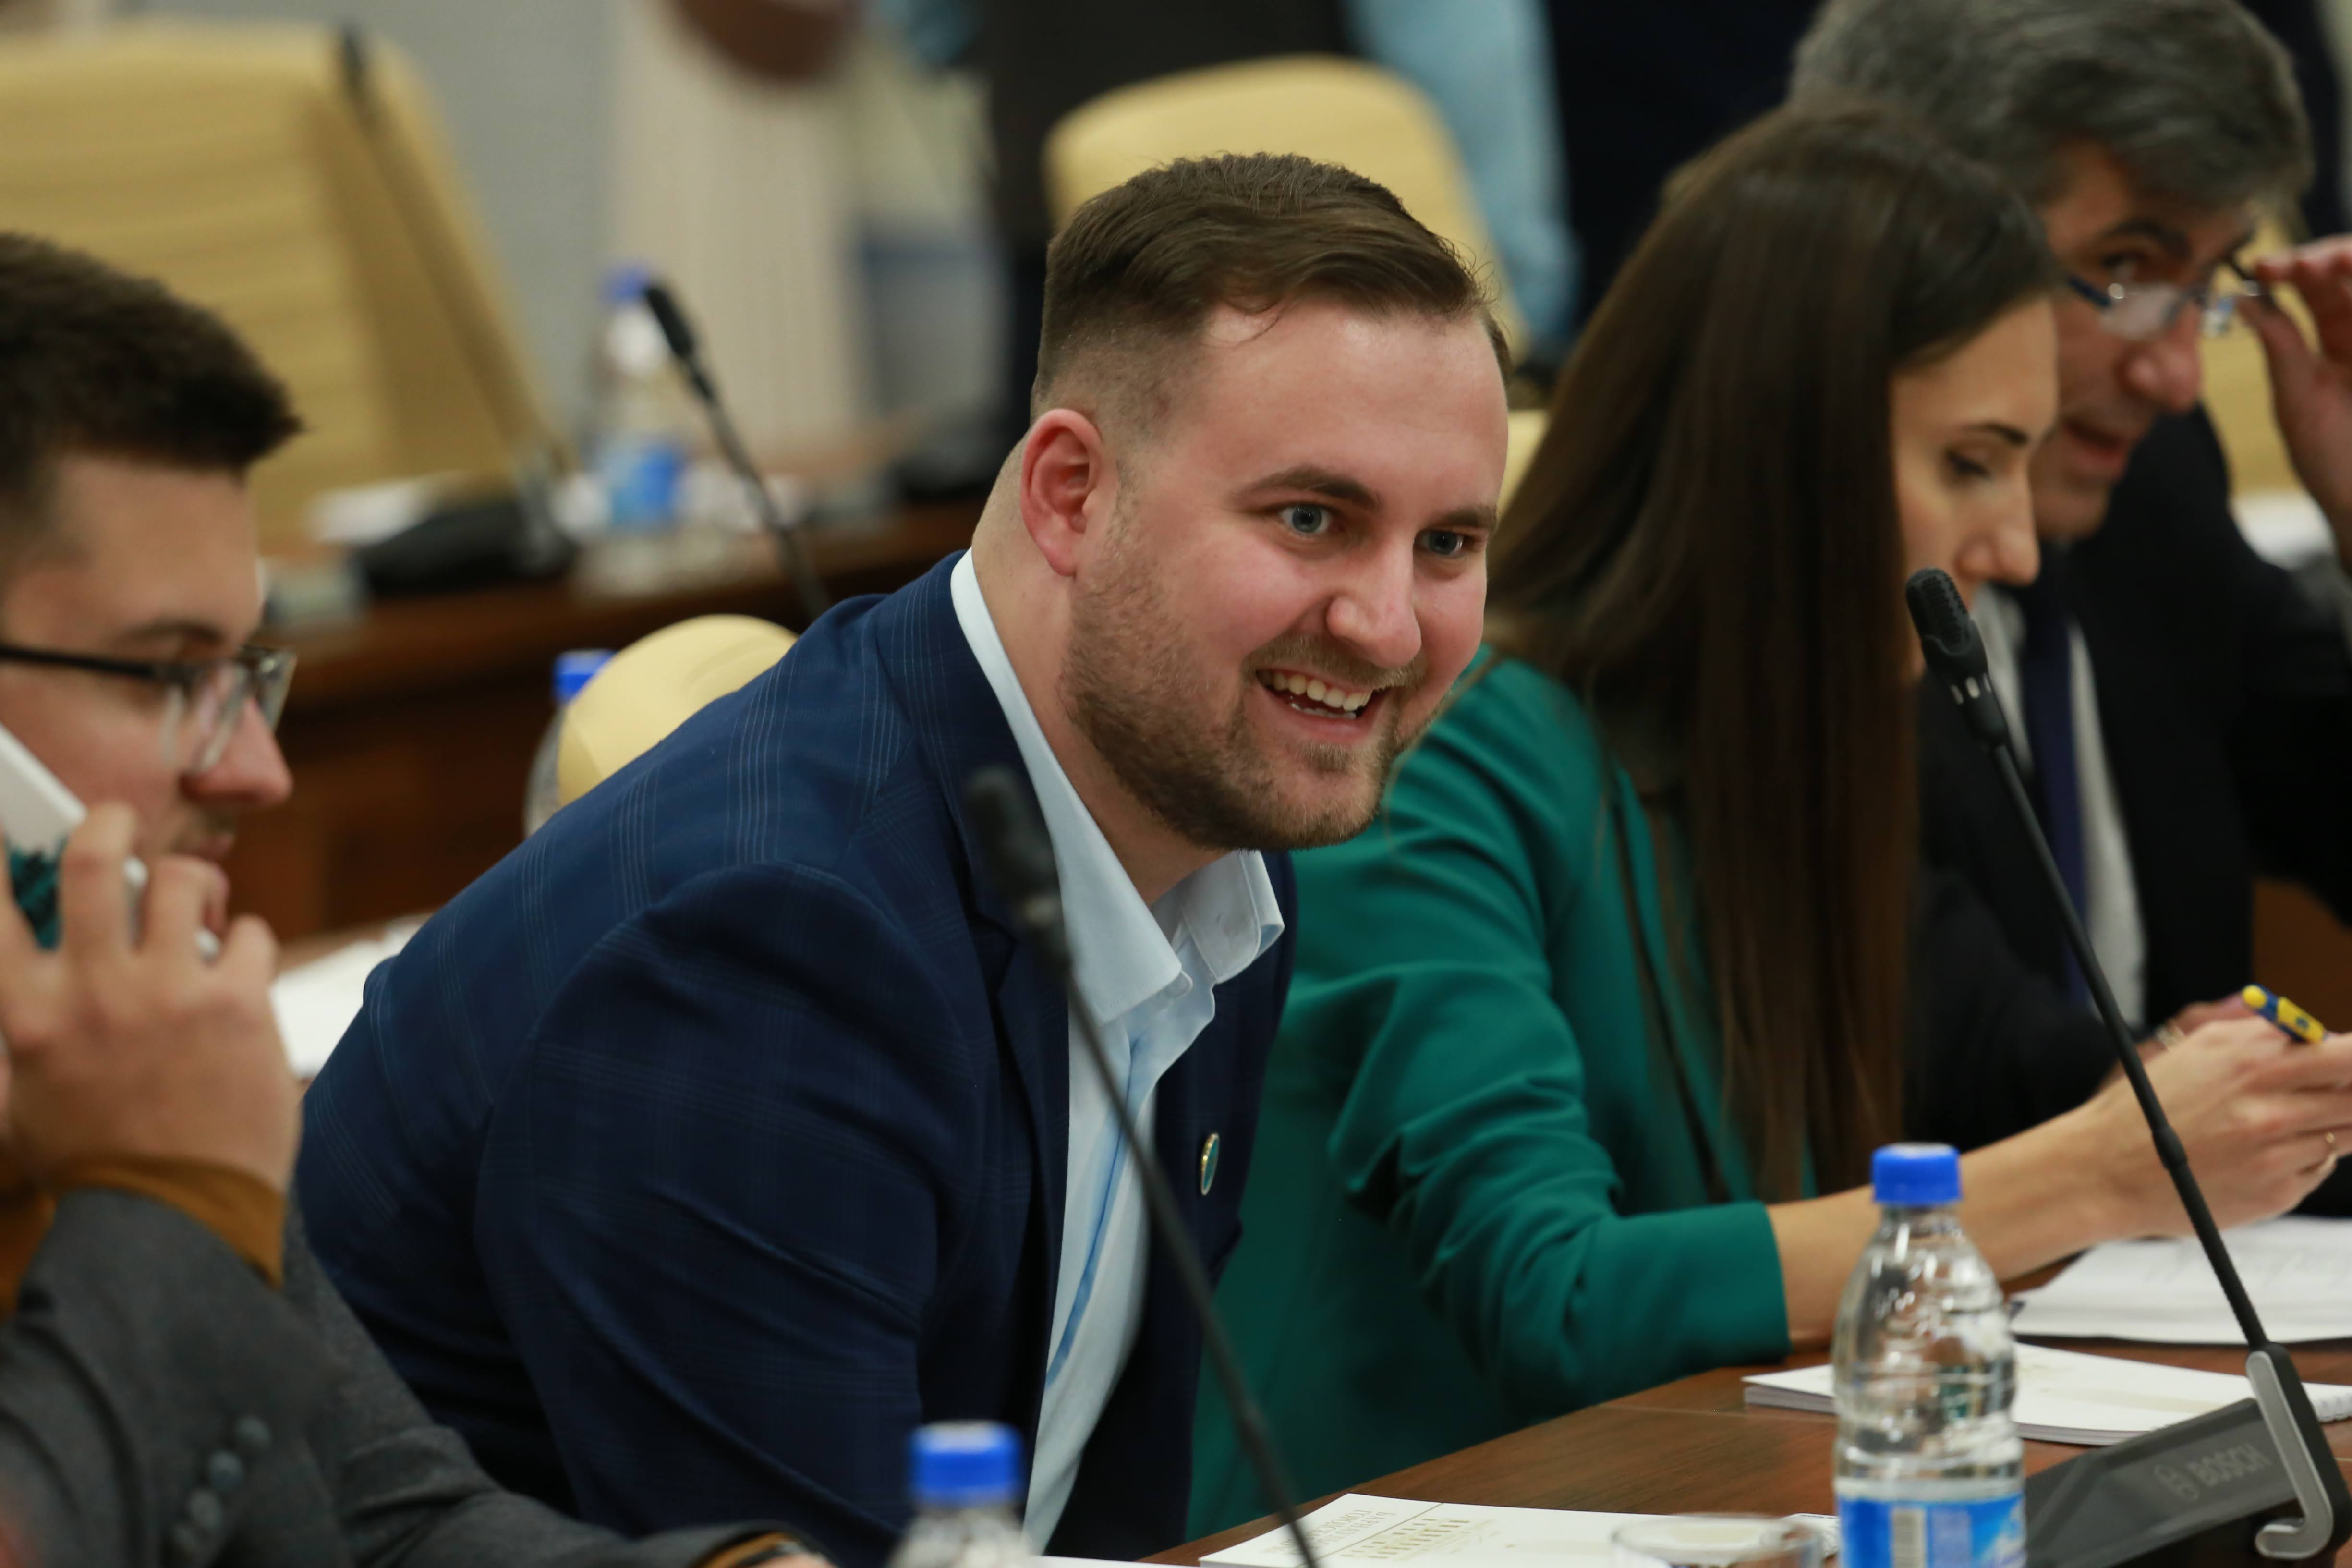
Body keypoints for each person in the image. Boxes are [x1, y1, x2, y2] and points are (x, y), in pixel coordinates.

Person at [295, 153, 1510, 1568]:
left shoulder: (1215, 838)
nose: (1387, 625)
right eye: (1311, 519)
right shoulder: (766, 948)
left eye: (1448, 542)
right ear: (1069, 493)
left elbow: (1093, 1518)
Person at [1187, 102, 2352, 1531]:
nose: (2013, 547)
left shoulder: (1797, 760)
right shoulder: (1437, 764)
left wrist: (2180, 1096)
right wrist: (2100, 1168)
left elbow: (1990, 1081)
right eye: (1971, 461)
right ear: (1785, 456)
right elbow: (1554, 1296)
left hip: (1697, 1513)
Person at [0, 233, 805, 1568]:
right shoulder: (158, 1095)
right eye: (168, 674)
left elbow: (388, 1523)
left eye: (245, 673)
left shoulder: (129, 1035)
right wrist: (163, 1193)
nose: (257, 770)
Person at [1791, 0, 2352, 1169]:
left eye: (2203, 286)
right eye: (2125, 270)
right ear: (1890, 229)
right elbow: (1972, 1070)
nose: (2176, 376)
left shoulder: (2149, 488)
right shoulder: (1758, 566)